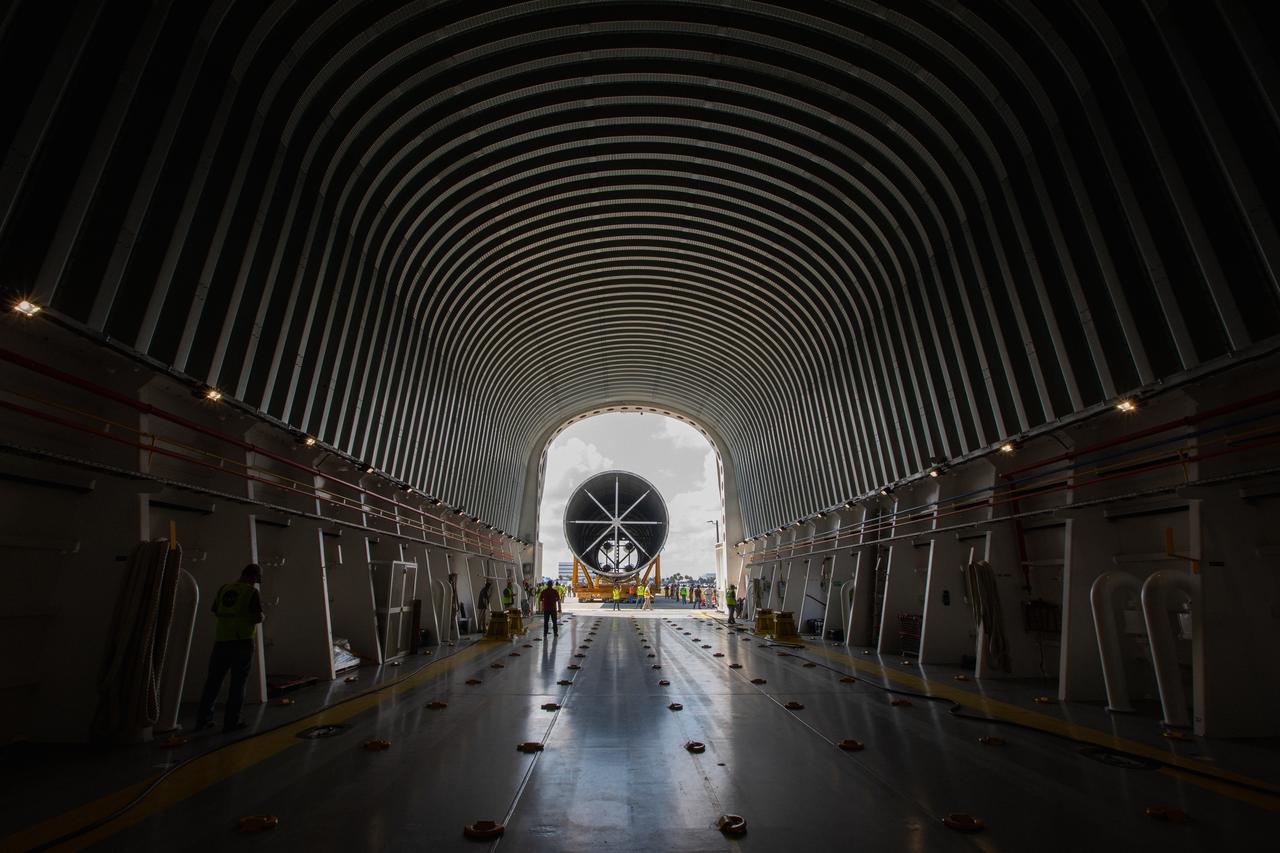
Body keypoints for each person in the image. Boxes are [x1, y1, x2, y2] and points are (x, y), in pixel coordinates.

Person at [196, 564, 264, 733]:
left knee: (213, 682)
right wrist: (262, 616)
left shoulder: (224, 589)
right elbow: (256, 617)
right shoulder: (251, 592)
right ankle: (232, 721)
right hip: (242, 642)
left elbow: (216, 611)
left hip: (221, 641)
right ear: (254, 577)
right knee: (237, 684)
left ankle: (203, 720)